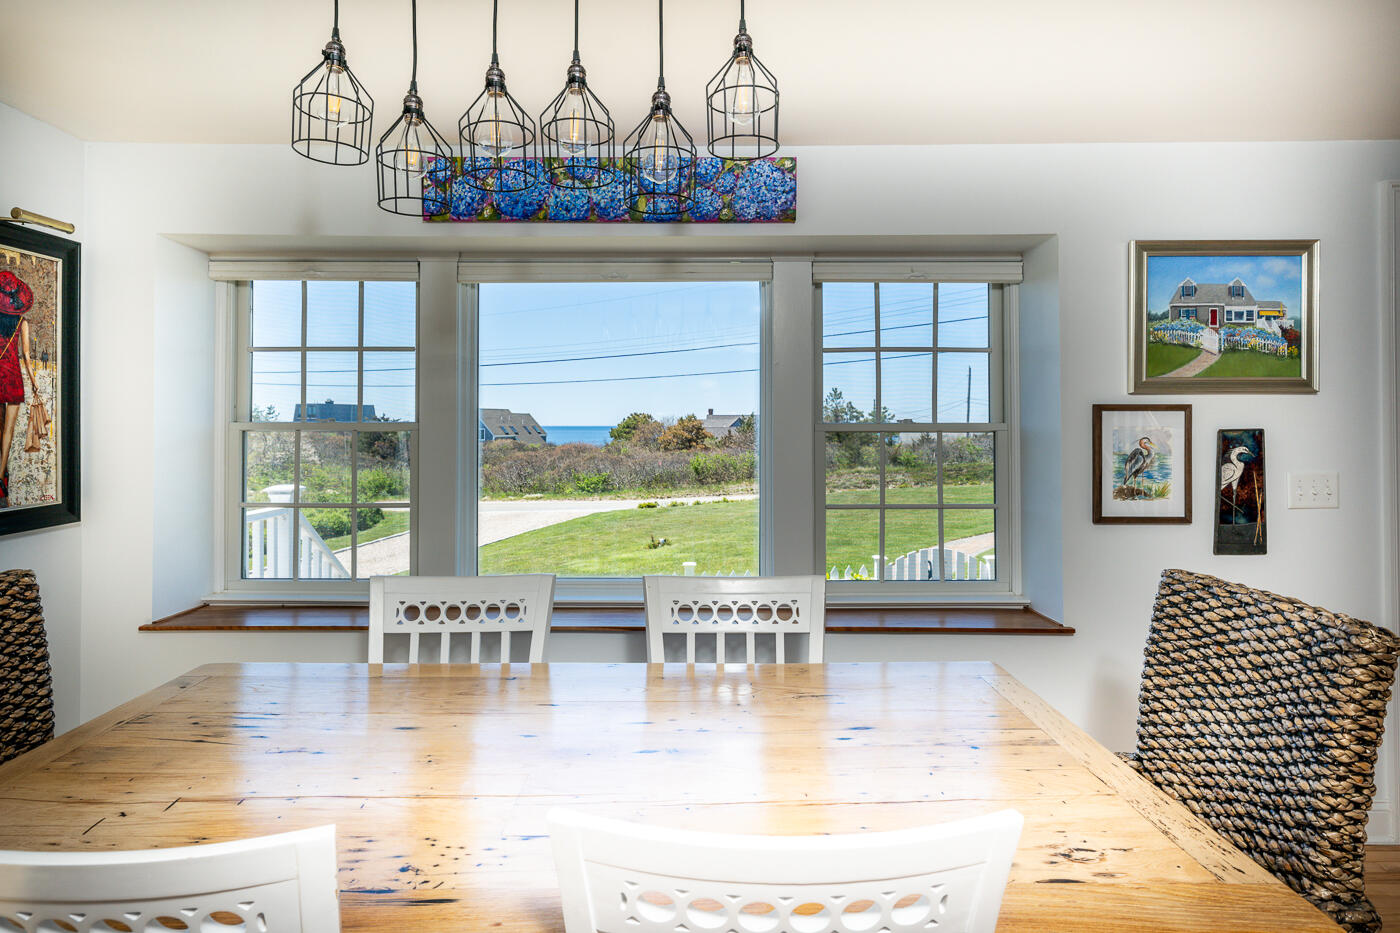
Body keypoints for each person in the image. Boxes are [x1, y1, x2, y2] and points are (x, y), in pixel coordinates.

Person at [0, 270, 37, 508]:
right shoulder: (22, 323)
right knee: (9, 431)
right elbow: (26, 355)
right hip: (12, 376)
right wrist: (33, 381)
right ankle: (0, 475)